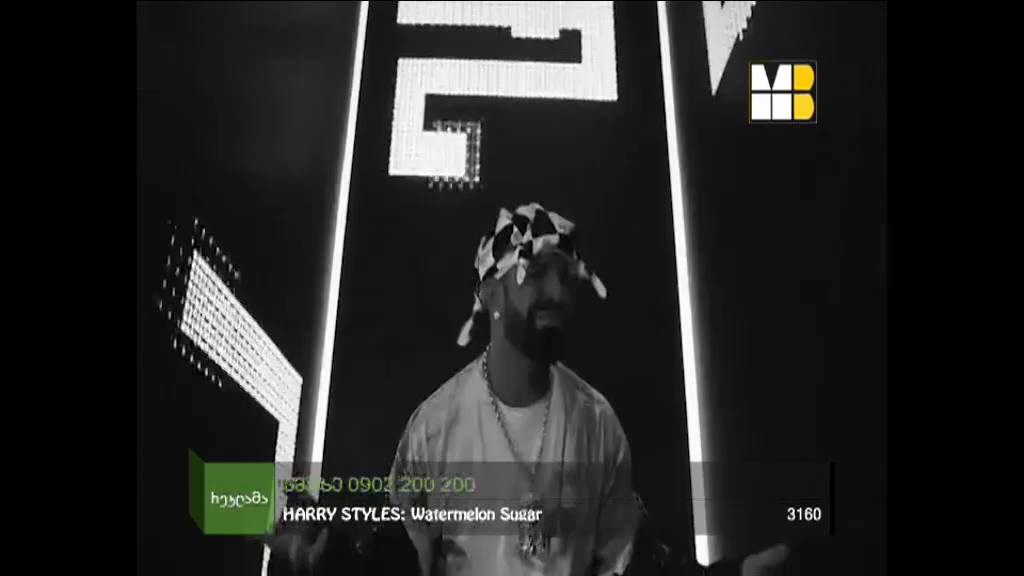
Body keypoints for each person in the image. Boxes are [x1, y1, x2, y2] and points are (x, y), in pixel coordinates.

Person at [388, 202, 636, 576]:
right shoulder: (433, 428)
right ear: (491, 293)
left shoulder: (598, 426)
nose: (558, 293)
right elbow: (402, 556)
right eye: (536, 273)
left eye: (565, 277)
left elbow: (620, 561)